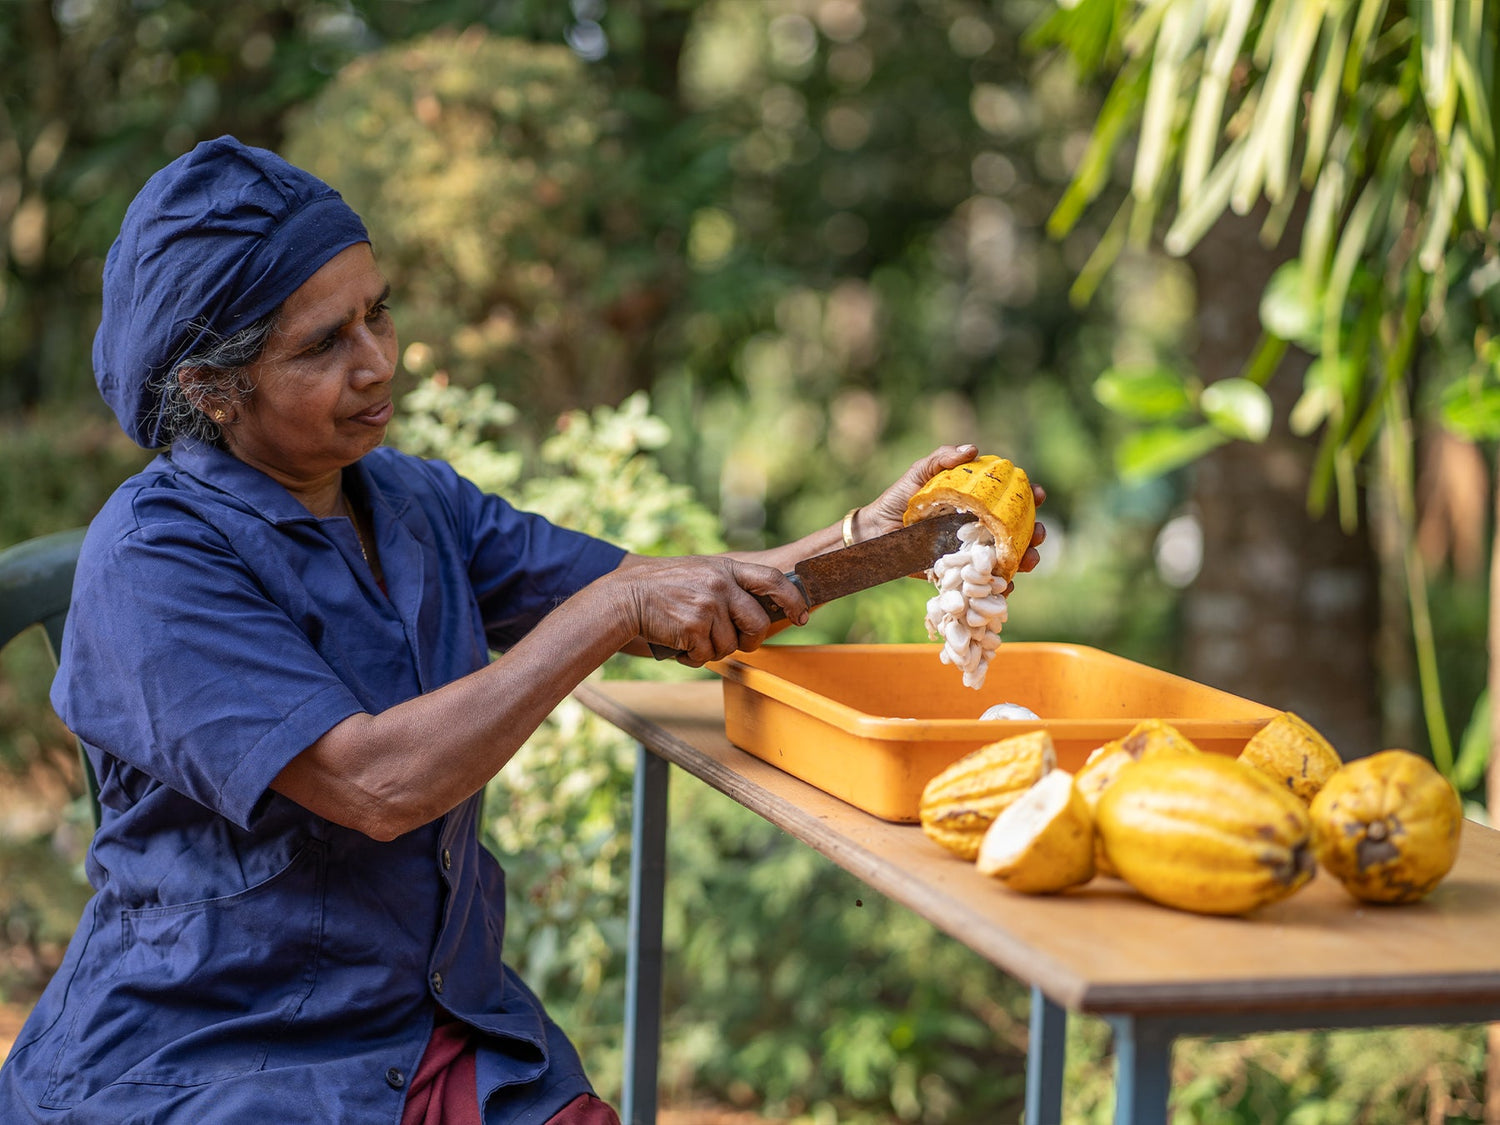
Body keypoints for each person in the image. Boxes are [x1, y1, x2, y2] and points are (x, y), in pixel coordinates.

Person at [0, 136, 1045, 1125]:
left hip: (424, 1025)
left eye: (379, 314)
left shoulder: (406, 499)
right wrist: (604, 618)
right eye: (324, 344)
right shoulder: (155, 558)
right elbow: (376, 786)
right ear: (210, 390)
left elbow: (661, 593)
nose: (377, 365)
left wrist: (891, 538)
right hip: (216, 1050)